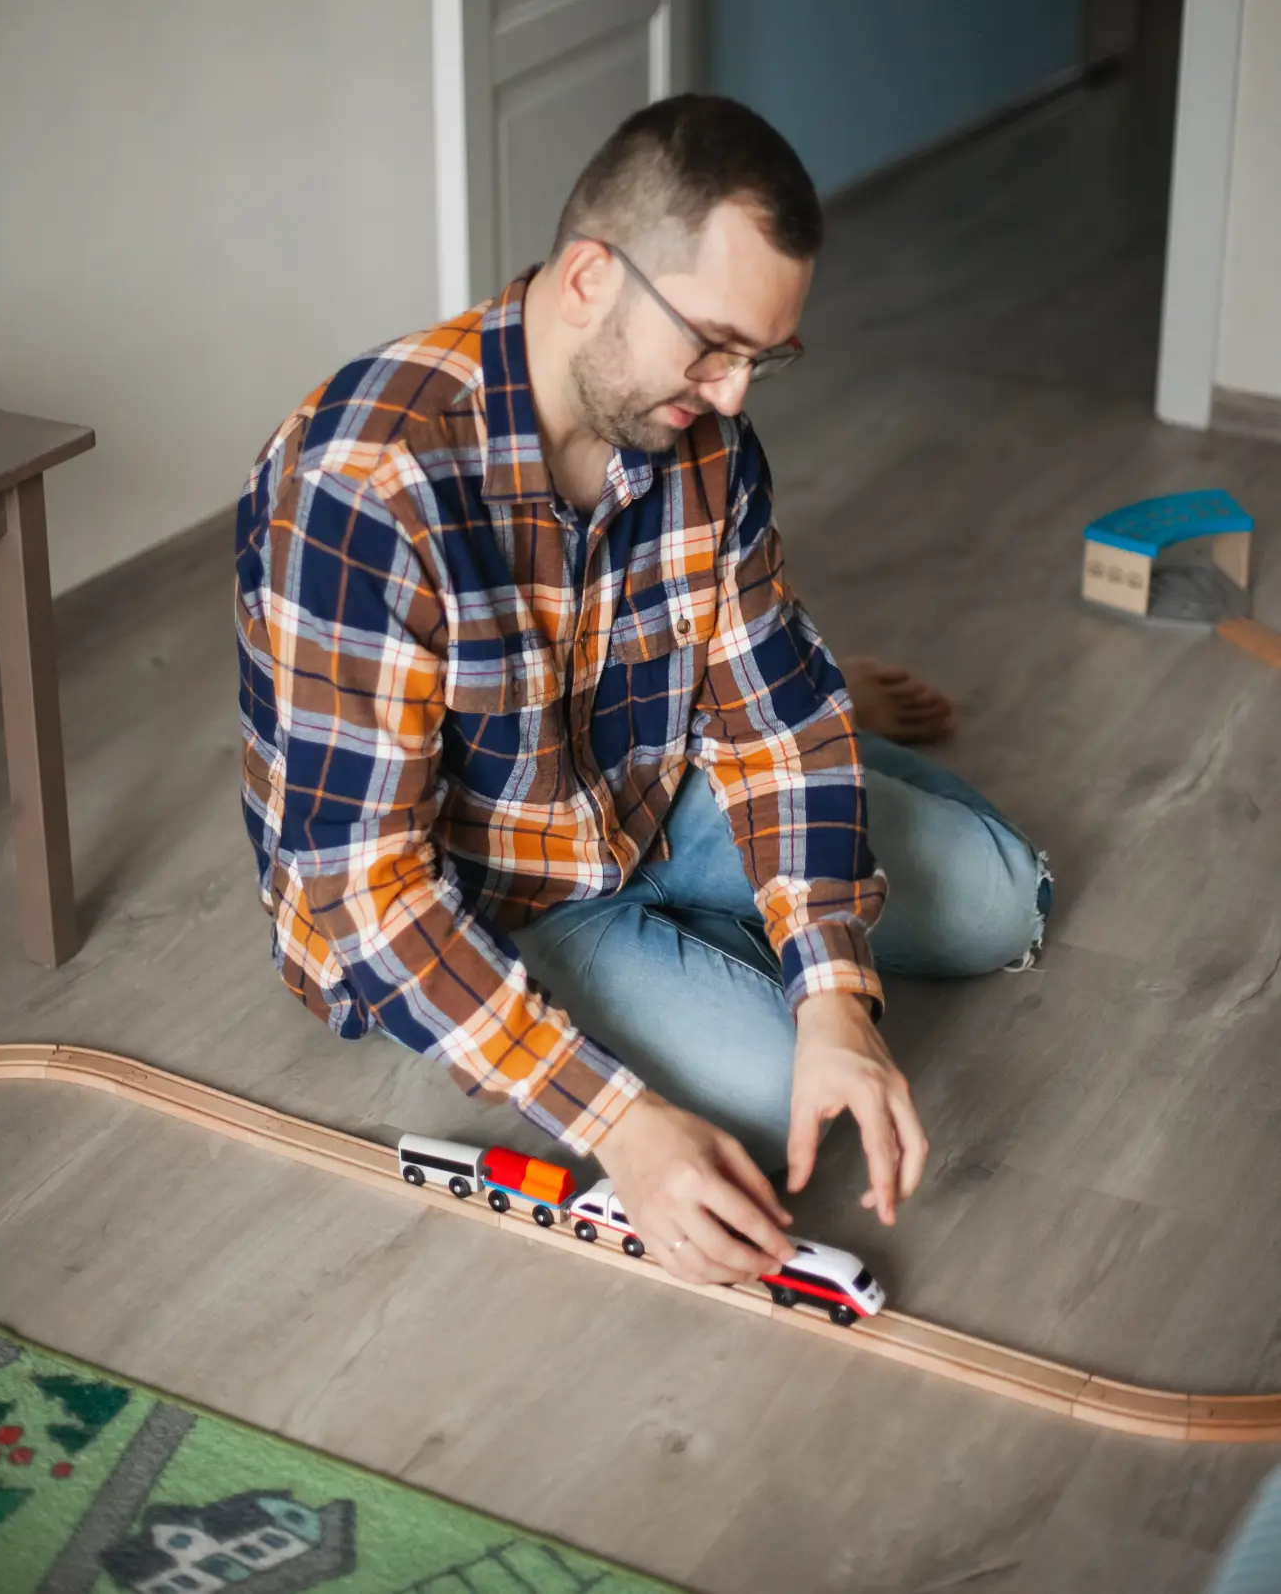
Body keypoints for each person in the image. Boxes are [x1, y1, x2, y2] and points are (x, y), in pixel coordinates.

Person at [235, 94, 1050, 1291]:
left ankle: (790, 842)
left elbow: (772, 721)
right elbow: (368, 890)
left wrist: (832, 990)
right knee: (779, 1125)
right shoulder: (366, 485)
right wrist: (617, 1121)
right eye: (713, 344)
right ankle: (750, 891)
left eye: (765, 358)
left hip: (654, 785)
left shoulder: (704, 439)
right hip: (498, 895)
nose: (732, 396)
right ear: (586, 280)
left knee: (1004, 905)